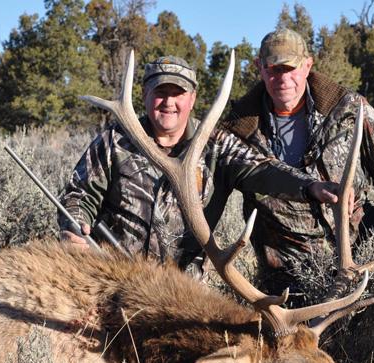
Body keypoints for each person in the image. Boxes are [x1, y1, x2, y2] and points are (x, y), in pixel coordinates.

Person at [58, 55, 341, 274]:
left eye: (178, 93)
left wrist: (310, 186)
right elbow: (78, 195)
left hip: (182, 288)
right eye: (160, 92)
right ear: (144, 94)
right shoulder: (114, 141)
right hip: (114, 275)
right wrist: (75, 224)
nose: (168, 102)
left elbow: (262, 170)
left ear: (192, 98)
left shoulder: (216, 145)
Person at [222, 29, 374, 296]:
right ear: (260, 69)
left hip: (354, 234)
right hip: (289, 259)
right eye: (273, 69)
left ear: (308, 65)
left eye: (291, 68)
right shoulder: (238, 129)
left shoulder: (347, 107)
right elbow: (225, 185)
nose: (283, 79)